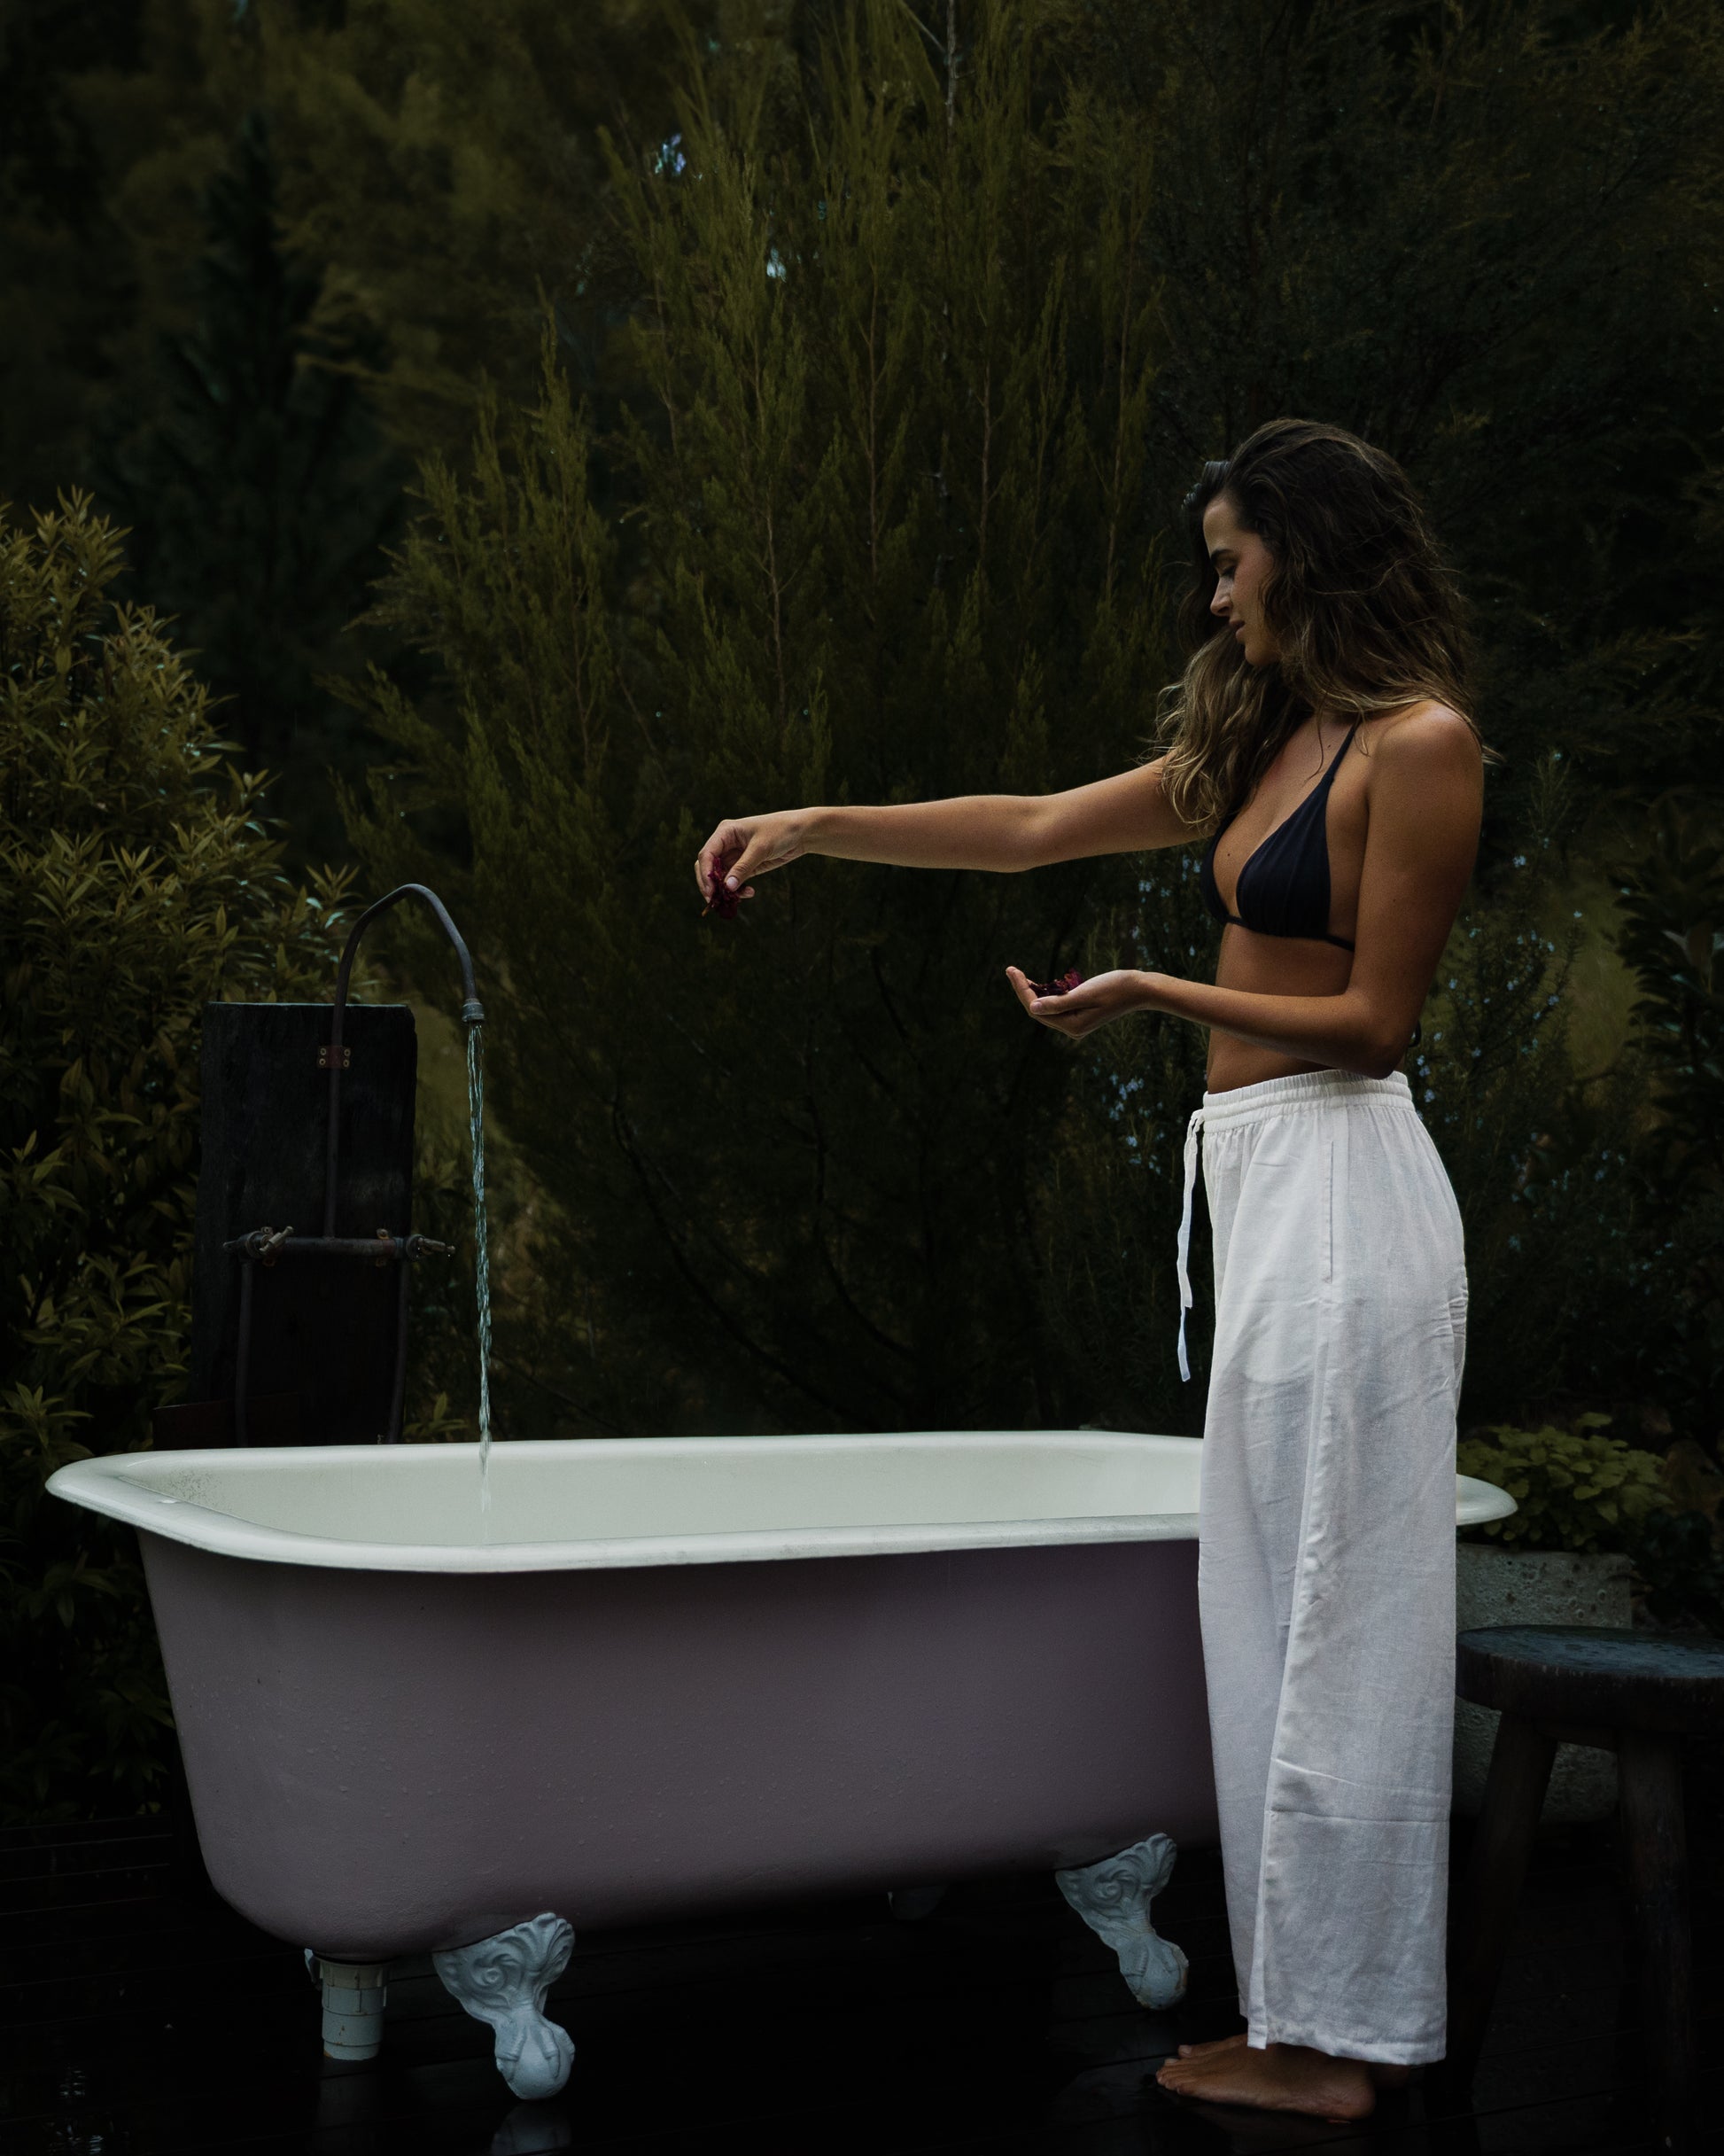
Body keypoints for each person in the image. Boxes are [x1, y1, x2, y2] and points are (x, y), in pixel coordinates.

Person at [694, 417, 1484, 2126]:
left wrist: (1156, 994)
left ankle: (1332, 2044)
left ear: (1310, 551)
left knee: (1338, 1620)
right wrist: (817, 823)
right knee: (1266, 1618)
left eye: (1231, 563)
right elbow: (1039, 825)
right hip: (1267, 1199)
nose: (1214, 600)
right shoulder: (1273, 737)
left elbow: (1373, 1020)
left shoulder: (1419, 747)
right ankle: (1296, 2018)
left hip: (1349, 1193)